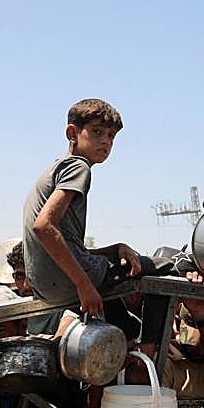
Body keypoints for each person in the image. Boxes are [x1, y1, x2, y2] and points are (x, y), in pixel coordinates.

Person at [21, 98, 170, 356]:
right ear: (72, 133)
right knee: (165, 270)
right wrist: (83, 285)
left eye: (111, 136)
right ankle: (148, 352)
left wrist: (116, 249)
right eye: (97, 132)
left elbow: (65, 241)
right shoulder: (78, 168)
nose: (106, 142)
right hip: (67, 281)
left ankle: (127, 334)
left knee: (119, 267)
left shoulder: (54, 169)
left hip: (45, 285)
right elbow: (44, 227)